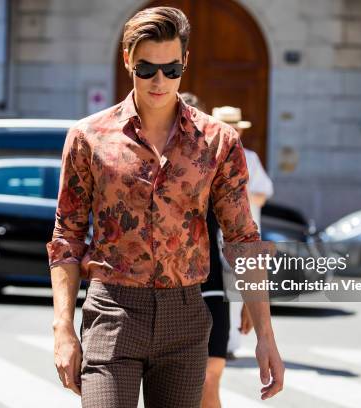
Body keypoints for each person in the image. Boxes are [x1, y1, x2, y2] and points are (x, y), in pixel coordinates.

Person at [47, 7, 284, 407]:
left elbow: (243, 239)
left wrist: (266, 337)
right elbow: (67, 237)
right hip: (112, 311)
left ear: (185, 62)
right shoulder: (88, 137)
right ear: (127, 60)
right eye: (147, 69)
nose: (160, 81)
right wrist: (63, 329)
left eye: (172, 70)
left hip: (186, 317)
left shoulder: (218, 141)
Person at [180, 92, 233, 408]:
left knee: (211, 375)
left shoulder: (217, 166)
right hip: (169, 292)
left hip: (212, 287)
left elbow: (240, 233)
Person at [212, 106, 274, 359]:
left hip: (242, 233)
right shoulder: (207, 155)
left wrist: (236, 193)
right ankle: (218, 342)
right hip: (216, 233)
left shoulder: (250, 157)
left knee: (239, 289)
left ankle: (229, 344)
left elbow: (263, 195)